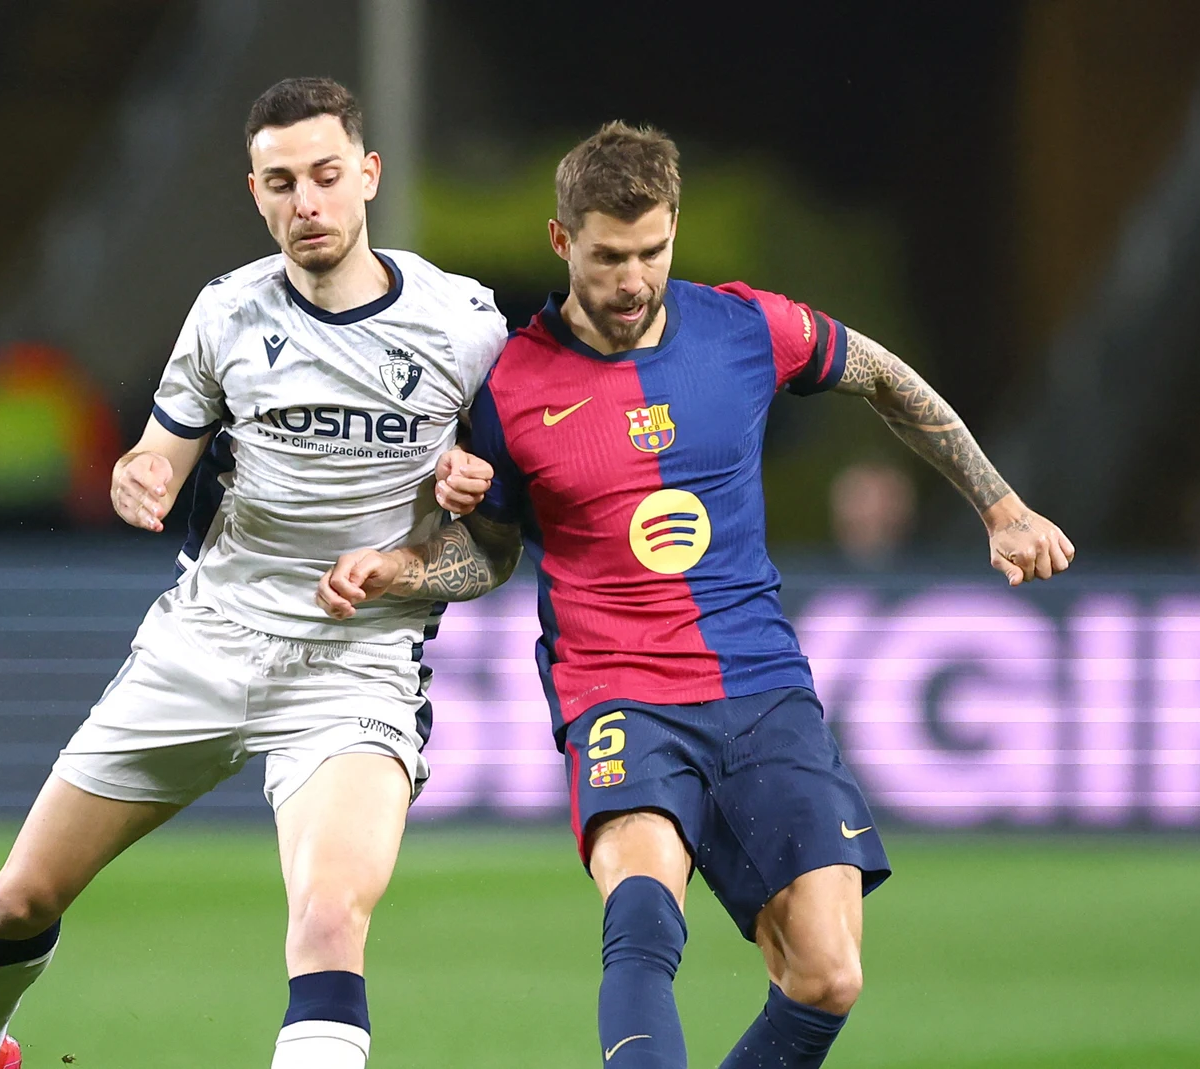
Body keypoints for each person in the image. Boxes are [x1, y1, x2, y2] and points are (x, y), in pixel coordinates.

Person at [317, 122, 1075, 1069]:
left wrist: (999, 505)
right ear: (563, 242)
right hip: (620, 694)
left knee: (827, 976)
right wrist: (405, 567)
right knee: (643, 909)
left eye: (652, 251)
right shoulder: (510, 384)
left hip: (762, 686)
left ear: (675, 228)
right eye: (607, 256)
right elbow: (490, 555)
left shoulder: (747, 328)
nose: (633, 279)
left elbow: (882, 374)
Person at [0, 77, 504, 1069]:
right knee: (22, 897)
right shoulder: (227, 315)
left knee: (327, 922)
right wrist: (137, 475)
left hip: (353, 670)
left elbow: (491, 550)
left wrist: (407, 564)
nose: (305, 201)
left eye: (325, 175)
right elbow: (160, 454)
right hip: (206, 642)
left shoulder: (465, 326)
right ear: (254, 190)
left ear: (367, 175)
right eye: (281, 182)